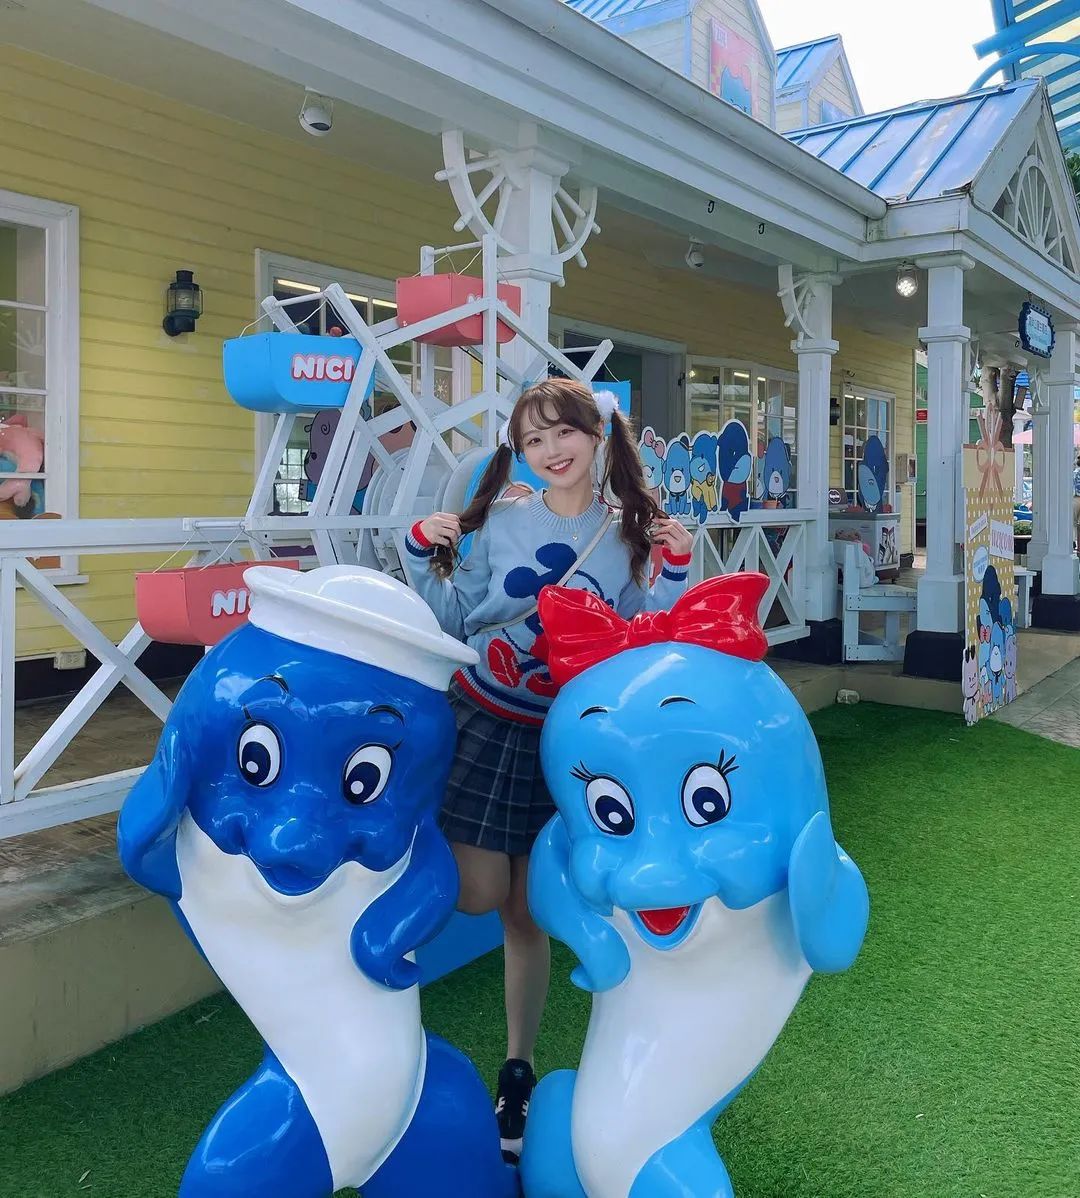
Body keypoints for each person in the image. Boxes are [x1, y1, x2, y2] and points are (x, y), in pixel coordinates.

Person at [402, 377, 693, 1164]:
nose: (551, 450)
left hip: (561, 740)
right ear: (521, 453)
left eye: (563, 432)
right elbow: (452, 617)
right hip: (482, 719)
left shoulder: (628, 533)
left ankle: (517, 1069)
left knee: (526, 917)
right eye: (533, 440)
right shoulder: (502, 521)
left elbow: (650, 634)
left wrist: (674, 564)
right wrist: (423, 551)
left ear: (596, 436)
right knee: (477, 892)